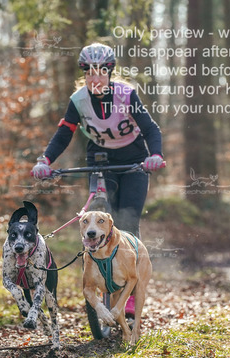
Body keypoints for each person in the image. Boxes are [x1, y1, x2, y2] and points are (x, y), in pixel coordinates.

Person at [31, 42, 164, 318]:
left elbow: (150, 129)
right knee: (96, 214)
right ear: (84, 74)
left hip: (133, 161)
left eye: (101, 72)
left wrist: (155, 155)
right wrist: (45, 160)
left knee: (127, 222)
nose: (95, 78)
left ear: (109, 73)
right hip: (100, 161)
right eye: (90, 72)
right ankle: (95, 277)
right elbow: (64, 134)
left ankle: (129, 292)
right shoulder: (78, 100)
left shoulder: (126, 95)